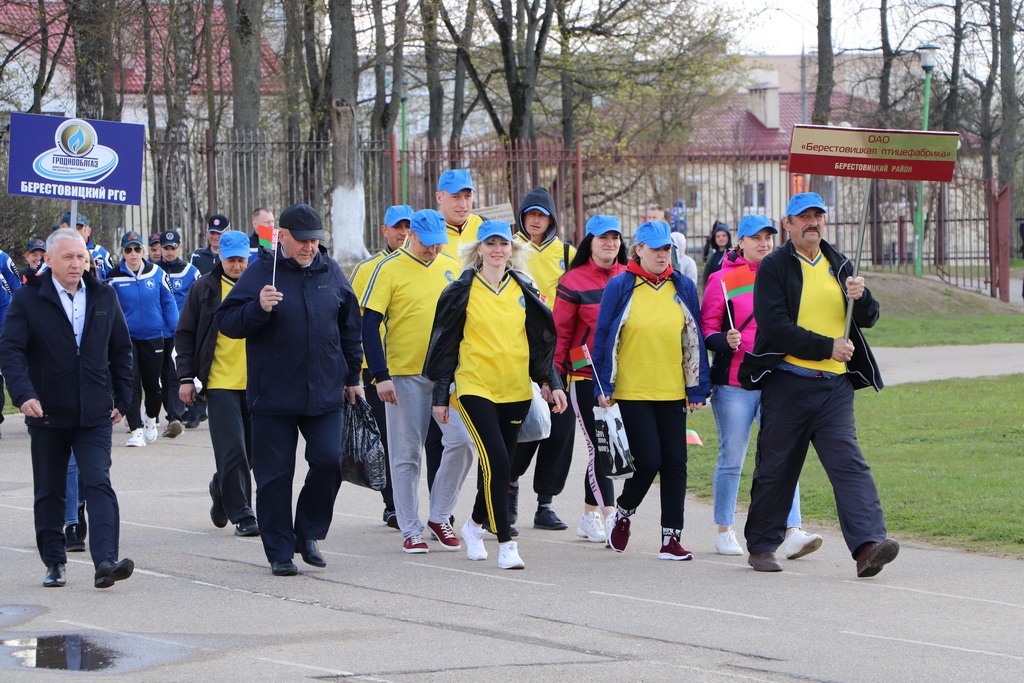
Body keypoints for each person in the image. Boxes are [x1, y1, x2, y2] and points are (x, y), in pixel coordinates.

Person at [738, 192, 898, 577]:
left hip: (835, 389)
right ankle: (762, 546)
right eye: (803, 216)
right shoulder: (774, 266)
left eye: (818, 215)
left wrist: (862, 297)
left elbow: (869, 317)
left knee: (849, 464)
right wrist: (827, 346)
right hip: (788, 384)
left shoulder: (839, 263)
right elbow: (775, 326)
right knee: (777, 468)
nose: (812, 222)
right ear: (788, 224)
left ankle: (868, 547)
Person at [216, 202, 363, 577]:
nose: (309, 247)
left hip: (325, 393)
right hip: (273, 396)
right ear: (282, 237)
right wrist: (258, 308)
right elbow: (227, 322)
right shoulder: (261, 272)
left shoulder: (331, 271)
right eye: (302, 240)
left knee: (329, 462)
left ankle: (307, 533)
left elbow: (350, 327)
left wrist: (352, 378)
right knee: (275, 478)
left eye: (314, 240)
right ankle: (279, 551)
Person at [424, 220, 567, 569]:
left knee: (501, 467)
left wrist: (553, 382)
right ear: (479, 249)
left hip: (516, 390)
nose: (497, 250)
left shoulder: (524, 287)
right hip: (474, 387)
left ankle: (474, 525)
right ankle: (506, 544)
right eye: (490, 244)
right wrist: (440, 396)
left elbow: (540, 343)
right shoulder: (461, 289)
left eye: (503, 243)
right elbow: (445, 344)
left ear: (512, 249)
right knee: (498, 463)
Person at [0, 229, 135, 589]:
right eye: (68, 257)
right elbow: (10, 350)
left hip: (94, 412)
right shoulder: (28, 299)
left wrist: (123, 398)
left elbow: (121, 349)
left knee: (98, 482)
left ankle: (105, 561)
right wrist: (23, 394)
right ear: (49, 260)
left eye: (81, 257)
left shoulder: (104, 295)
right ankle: (54, 561)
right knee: (50, 490)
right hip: (46, 412)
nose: (77, 264)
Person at [701, 214, 823, 559]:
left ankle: (793, 530)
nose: (764, 243)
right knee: (732, 458)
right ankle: (725, 529)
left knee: (784, 457)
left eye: (768, 237)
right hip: (735, 384)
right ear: (740, 242)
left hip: (777, 381)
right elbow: (706, 329)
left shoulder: (785, 273)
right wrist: (724, 340)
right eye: (755, 238)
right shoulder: (721, 279)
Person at [591, 221, 710, 560]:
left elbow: (694, 337)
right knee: (649, 460)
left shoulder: (683, 285)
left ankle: (671, 539)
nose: (662, 255)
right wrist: (603, 385)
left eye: (667, 248)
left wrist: (697, 387)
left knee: (676, 463)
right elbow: (604, 337)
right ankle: (623, 513)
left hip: (672, 389)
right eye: (655, 248)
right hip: (632, 391)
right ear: (638, 249)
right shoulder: (620, 285)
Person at [361, 209, 475, 554]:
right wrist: (380, 375)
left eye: (438, 243)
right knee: (406, 454)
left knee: (461, 442)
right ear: (411, 235)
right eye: (427, 243)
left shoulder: (451, 266)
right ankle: (410, 527)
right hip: (404, 374)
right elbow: (369, 325)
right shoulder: (388, 268)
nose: (433, 249)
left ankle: (439, 515)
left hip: (446, 376)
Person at [176, 231, 259, 537]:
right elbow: (185, 333)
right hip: (220, 382)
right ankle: (243, 514)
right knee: (232, 449)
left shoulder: (260, 286)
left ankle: (220, 486)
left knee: (252, 452)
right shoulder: (204, 289)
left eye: (241, 260)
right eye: (231, 260)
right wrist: (186, 378)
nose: (237, 266)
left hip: (257, 383)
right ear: (220, 257)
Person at [551, 215, 628, 543]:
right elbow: (560, 332)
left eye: (615, 237)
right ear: (590, 242)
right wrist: (554, 377)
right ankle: (610, 517)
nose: (610, 243)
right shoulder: (573, 280)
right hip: (585, 375)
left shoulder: (630, 276)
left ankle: (588, 515)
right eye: (602, 238)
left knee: (609, 445)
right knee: (601, 446)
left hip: (624, 376)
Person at [509, 187, 577, 532]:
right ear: (522, 216)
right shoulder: (508, 248)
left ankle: (546, 503)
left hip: (559, 352)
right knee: (525, 424)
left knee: (560, 429)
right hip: (519, 350)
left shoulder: (567, 253)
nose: (536, 221)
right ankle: (509, 487)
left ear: (552, 219)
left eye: (542, 215)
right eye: (530, 214)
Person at [349, 204, 414, 529]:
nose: (403, 233)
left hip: (416, 366)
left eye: (408, 227)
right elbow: (353, 320)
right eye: (397, 227)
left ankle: (431, 509)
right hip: (377, 369)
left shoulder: (430, 264)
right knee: (388, 439)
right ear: (384, 231)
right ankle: (393, 505)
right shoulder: (367, 269)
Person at [106, 231, 180, 447]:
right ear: (122, 252)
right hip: (126, 339)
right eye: (128, 249)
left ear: (143, 251)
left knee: (153, 385)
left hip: (154, 337)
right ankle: (136, 429)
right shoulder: (113, 277)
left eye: (137, 249)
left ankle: (150, 417)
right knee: (130, 383)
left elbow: (168, 303)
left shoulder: (157, 273)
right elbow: (107, 309)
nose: (133, 253)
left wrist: (177, 333)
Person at [156, 230, 202, 437]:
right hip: (158, 331)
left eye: (173, 248)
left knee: (176, 374)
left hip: (181, 332)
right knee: (161, 376)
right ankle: (161, 414)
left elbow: (199, 298)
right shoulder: (153, 271)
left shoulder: (190, 272)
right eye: (166, 248)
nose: (169, 252)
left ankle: (175, 417)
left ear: (180, 247)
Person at [436, 169, 484, 261]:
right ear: (439, 198)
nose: (463, 205)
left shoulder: (483, 224)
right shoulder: (426, 229)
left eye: (468, 196)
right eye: (455, 197)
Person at [58, 212, 112, 279]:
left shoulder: (101, 252)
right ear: (60, 230)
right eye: (70, 228)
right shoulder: (54, 251)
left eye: (79, 228)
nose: (74, 232)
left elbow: (111, 279)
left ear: (88, 231)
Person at [702, 221, 733, 287]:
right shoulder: (712, 257)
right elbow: (706, 277)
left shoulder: (734, 254)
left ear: (728, 237)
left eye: (724, 235)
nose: (721, 238)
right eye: (718, 236)